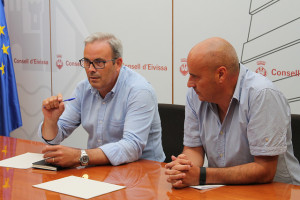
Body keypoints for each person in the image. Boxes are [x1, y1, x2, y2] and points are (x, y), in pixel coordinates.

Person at [165, 37, 300, 188]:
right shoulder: (195, 94)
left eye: (195, 76)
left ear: (221, 74)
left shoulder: (262, 94)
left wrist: (202, 175)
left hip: (278, 190)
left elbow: (265, 170)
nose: (189, 83)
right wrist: (184, 170)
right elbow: (193, 149)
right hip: (223, 188)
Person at [38, 32, 165, 167]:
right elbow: (53, 139)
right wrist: (51, 121)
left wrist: (79, 156)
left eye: (99, 62)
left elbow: (131, 148)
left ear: (118, 63)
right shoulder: (83, 89)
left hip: (143, 172)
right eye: (87, 62)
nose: (91, 69)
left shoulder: (139, 91)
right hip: (99, 168)